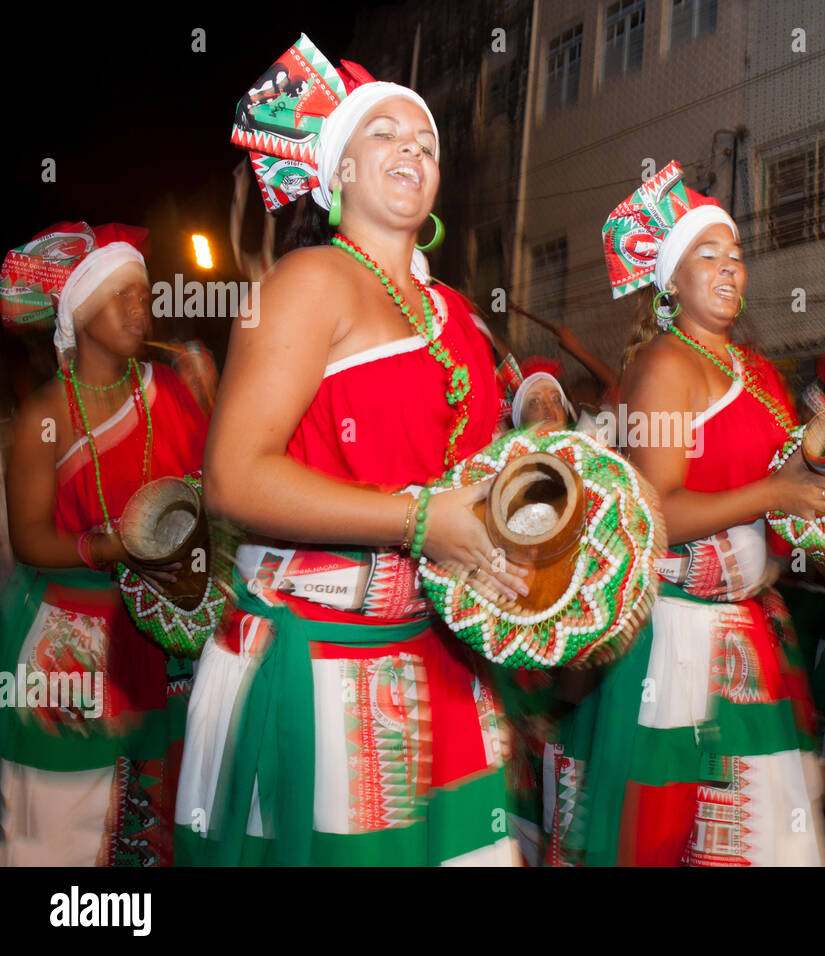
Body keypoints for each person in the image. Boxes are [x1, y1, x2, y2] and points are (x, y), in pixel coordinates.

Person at [174, 35, 528, 866]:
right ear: (336, 173)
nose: (413, 145)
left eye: (427, 140)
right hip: (319, 660)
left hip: (444, 657)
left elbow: (473, 489)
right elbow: (231, 478)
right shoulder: (307, 283)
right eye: (385, 132)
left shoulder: (456, 315)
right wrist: (418, 522)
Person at [547, 160, 825, 866]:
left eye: (736, 256)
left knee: (764, 830)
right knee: (667, 828)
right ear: (669, 279)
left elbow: (790, 480)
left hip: (746, 634)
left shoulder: (760, 371)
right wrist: (777, 497)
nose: (728, 268)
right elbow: (658, 513)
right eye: (706, 255)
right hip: (676, 641)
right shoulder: (664, 366)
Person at [0, 221, 207, 865]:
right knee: (59, 835)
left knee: (155, 829)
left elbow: (216, 498)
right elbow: (30, 538)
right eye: (118, 294)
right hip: (72, 642)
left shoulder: (171, 390)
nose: (137, 308)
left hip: (167, 635)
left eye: (143, 294)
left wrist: (215, 397)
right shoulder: (45, 415)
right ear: (78, 310)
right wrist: (114, 547)